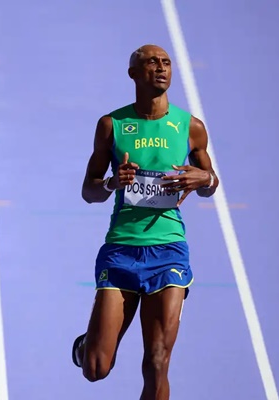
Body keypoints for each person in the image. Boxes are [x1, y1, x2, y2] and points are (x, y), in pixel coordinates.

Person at [71, 44, 218, 399]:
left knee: (157, 361)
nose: (161, 68)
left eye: (166, 62)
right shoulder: (112, 125)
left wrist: (205, 179)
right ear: (133, 73)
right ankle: (85, 346)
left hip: (168, 251)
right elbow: (88, 191)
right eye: (152, 62)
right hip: (122, 249)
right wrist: (111, 182)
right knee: (96, 368)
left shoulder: (190, 127)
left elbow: (209, 181)